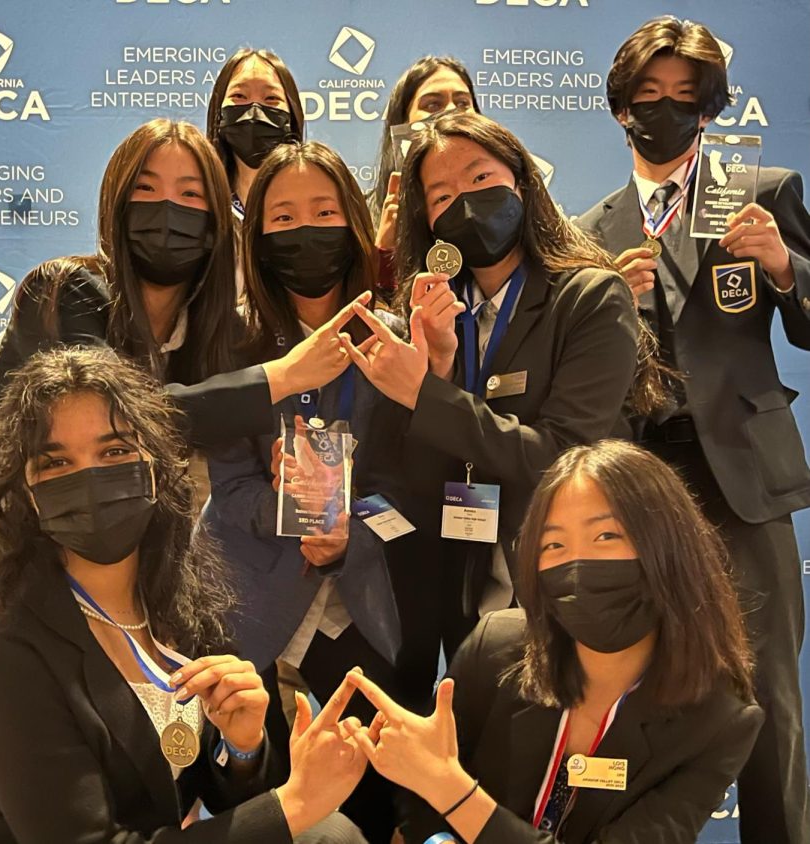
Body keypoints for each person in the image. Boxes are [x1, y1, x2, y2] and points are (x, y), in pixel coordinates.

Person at [0, 118, 362, 839]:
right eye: (145, 191)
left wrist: (246, 747)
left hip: (68, 569)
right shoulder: (68, 291)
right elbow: (116, 408)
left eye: (191, 195)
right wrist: (282, 377)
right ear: (114, 208)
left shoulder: (206, 341)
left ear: (220, 224)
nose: (168, 212)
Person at [0, 346, 369, 844]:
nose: (89, 478)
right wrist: (294, 805)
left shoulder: (187, 606)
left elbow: (222, 802)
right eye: (56, 462)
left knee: (333, 833)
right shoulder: (6, 657)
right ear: (26, 492)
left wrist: (244, 749)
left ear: (155, 467)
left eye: (113, 452)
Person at [575, 17, 810, 844]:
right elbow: (578, 376)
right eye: (648, 98)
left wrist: (786, 268)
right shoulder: (587, 232)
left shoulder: (764, 191)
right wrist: (606, 297)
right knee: (624, 689)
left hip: (740, 477)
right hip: (635, 484)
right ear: (619, 110)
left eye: (684, 99)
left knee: (769, 697)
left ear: (709, 108)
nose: (664, 114)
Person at [340, 111, 652, 709]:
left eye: (480, 178)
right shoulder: (437, 315)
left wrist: (426, 394)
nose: (466, 201)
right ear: (427, 221)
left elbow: (563, 457)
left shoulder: (590, 297)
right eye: (442, 194)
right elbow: (422, 483)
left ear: (522, 182)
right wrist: (437, 367)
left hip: (565, 587)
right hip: (466, 594)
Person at [343, 439, 763, 844]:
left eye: (606, 537)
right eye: (554, 544)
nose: (578, 565)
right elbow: (421, 794)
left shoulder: (719, 722)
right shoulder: (497, 645)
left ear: (669, 548)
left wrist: (453, 792)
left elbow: (439, 781)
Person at [203, 140, 407, 843]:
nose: (305, 230)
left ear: (353, 221)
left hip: (364, 604)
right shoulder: (233, 344)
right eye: (282, 217)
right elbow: (224, 488)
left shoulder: (396, 341)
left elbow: (412, 492)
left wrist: (355, 532)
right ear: (256, 237)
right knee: (253, 803)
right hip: (250, 606)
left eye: (323, 211)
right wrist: (284, 510)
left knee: (377, 797)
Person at [368, 56, 479, 297]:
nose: (451, 112)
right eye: (432, 105)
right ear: (403, 120)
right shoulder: (367, 216)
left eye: (462, 103)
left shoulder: (502, 202)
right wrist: (385, 256)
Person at [206, 49, 304, 226]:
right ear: (218, 111)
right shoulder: (202, 199)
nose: (254, 112)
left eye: (271, 98)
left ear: (291, 113)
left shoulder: (313, 196)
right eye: (239, 96)